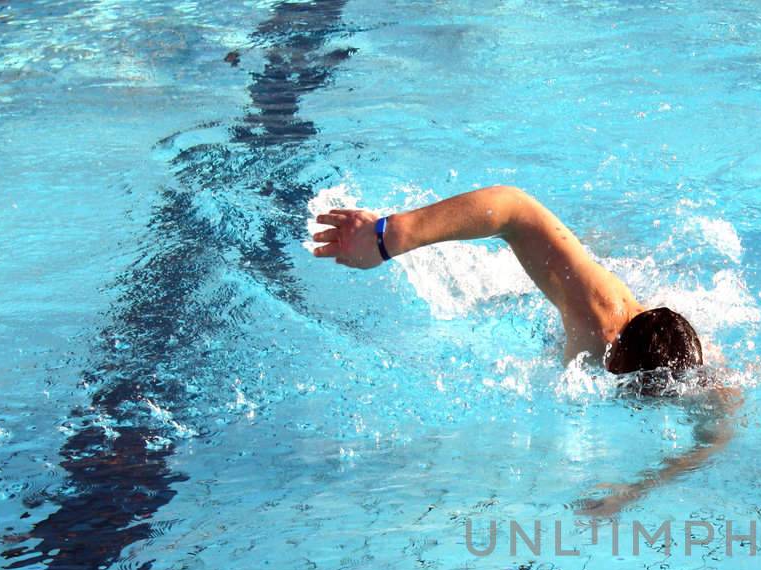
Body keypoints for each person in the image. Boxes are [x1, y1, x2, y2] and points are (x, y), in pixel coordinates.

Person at [310, 185, 737, 516]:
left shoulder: (695, 367)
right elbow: (513, 208)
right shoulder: (594, 315)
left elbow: (714, 438)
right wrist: (389, 236)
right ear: (614, 354)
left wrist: (634, 491)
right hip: (549, 287)